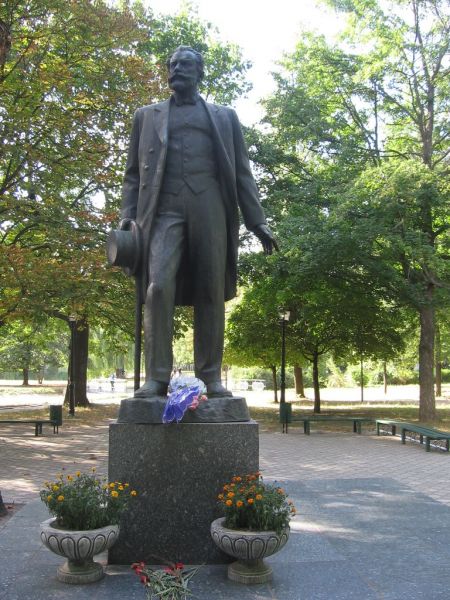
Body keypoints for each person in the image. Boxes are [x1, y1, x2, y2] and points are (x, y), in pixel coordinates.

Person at [119, 46, 277, 399]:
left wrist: (257, 220)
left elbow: (241, 173)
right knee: (157, 287)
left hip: (210, 207)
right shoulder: (146, 116)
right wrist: (126, 220)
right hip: (162, 210)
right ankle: (157, 377)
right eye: (172, 64)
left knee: (210, 288)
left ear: (199, 71)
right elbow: (132, 176)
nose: (176, 69)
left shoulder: (224, 116)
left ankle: (210, 377)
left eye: (185, 64)